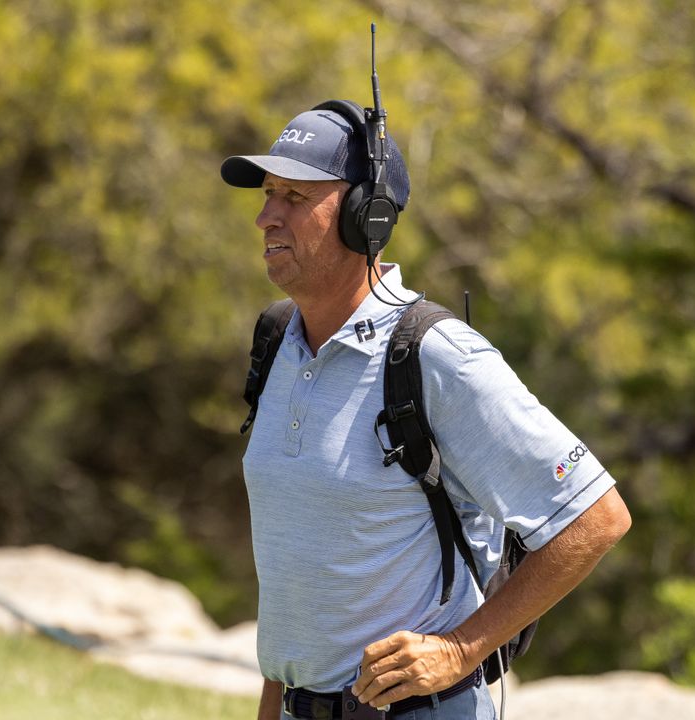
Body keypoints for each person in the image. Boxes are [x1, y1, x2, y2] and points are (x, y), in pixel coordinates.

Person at [221, 102, 632, 720]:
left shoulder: (439, 355)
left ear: (367, 216)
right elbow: (298, 583)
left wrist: (461, 649)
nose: (265, 216)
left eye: (295, 197)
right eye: (268, 193)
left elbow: (596, 517)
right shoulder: (278, 340)